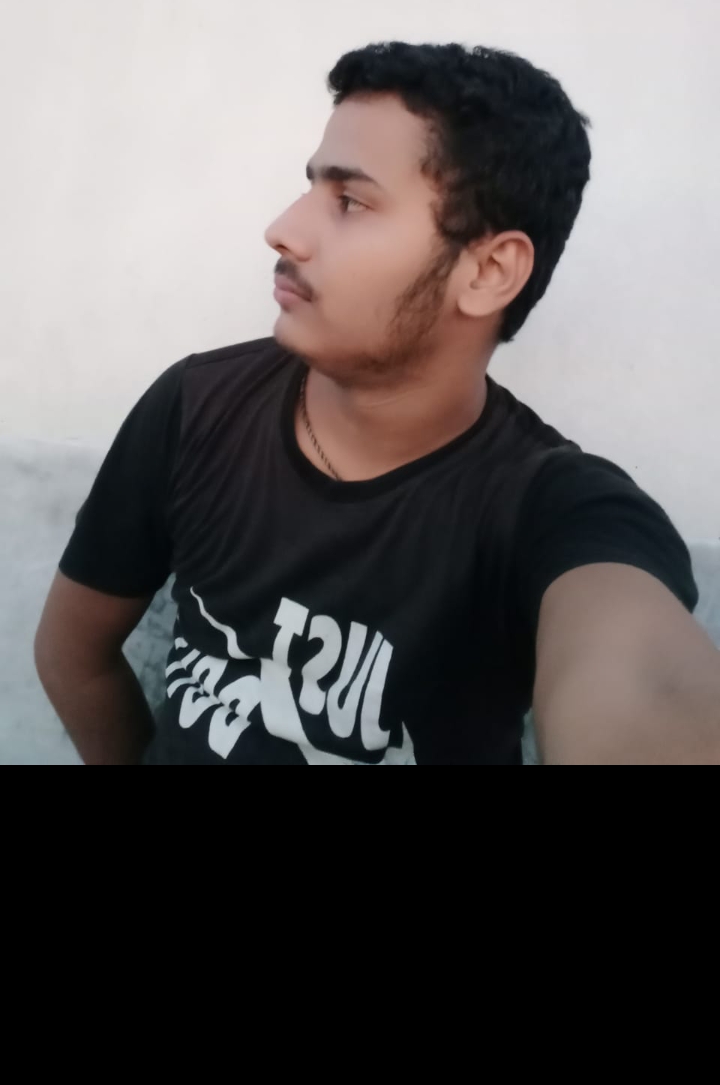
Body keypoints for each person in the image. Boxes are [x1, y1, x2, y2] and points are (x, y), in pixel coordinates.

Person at [35, 41, 720, 765]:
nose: (284, 229)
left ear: (489, 271)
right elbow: (72, 653)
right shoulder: (199, 406)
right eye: (311, 188)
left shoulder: (553, 511)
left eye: (351, 202)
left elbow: (647, 687)